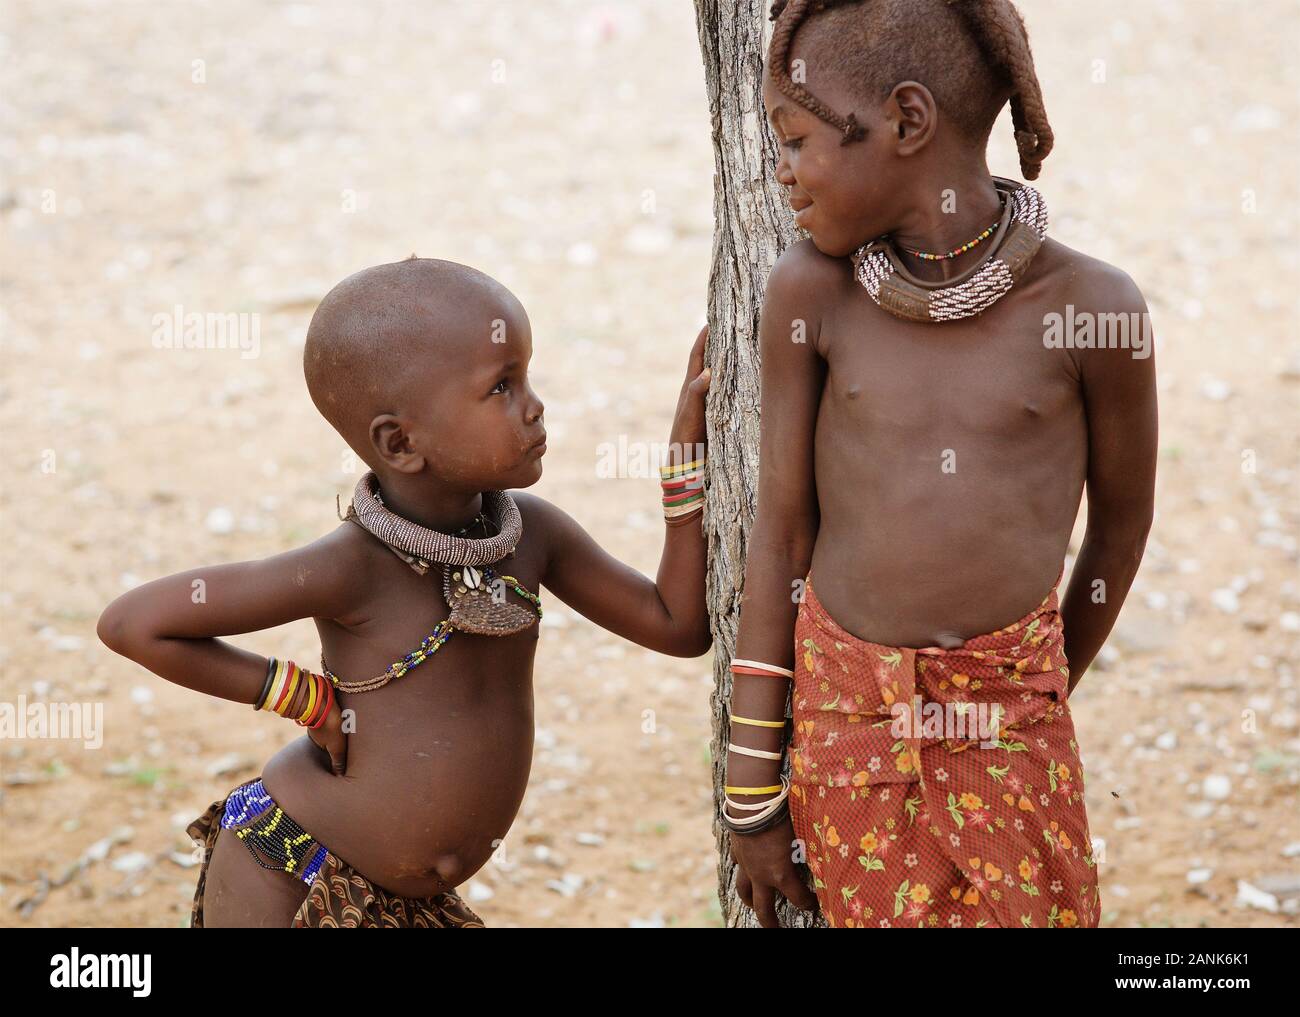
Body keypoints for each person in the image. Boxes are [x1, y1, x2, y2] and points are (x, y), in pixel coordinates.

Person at [97, 257, 712, 926]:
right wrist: (303, 697)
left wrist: (686, 468)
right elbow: (134, 623)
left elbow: (678, 625)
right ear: (399, 441)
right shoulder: (353, 566)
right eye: (502, 387)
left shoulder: (532, 536)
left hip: (401, 904)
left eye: (526, 377)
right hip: (290, 871)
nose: (535, 406)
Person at [722, 0, 1156, 928]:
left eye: (796, 141)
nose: (784, 173)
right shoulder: (812, 294)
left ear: (910, 121)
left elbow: (1121, 525)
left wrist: (1035, 691)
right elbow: (783, 533)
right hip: (848, 733)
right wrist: (750, 784)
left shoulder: (1093, 310)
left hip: (1012, 732)